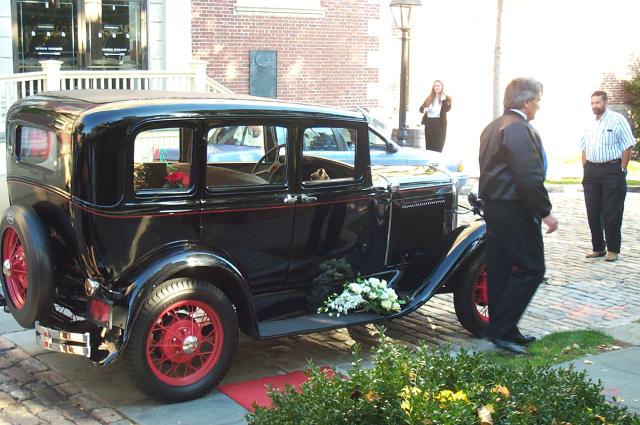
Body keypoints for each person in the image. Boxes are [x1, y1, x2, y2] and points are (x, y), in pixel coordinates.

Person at [478, 77, 559, 355]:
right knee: (531, 268)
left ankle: (503, 329)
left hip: (495, 206)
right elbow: (528, 176)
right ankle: (501, 330)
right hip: (514, 207)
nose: (538, 106)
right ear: (526, 102)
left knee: (500, 267)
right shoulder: (517, 128)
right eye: (537, 100)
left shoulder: (493, 126)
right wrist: (545, 212)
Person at [580, 91, 636, 262]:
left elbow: (628, 146)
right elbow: (584, 147)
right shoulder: (588, 122)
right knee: (592, 211)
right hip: (591, 171)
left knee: (612, 212)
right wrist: (585, 167)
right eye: (592, 103)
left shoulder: (617, 120)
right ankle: (598, 247)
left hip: (612, 169)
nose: (594, 106)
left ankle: (613, 249)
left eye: (597, 102)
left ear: (605, 102)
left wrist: (622, 169)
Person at [419, 80, 451, 152]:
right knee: (429, 146)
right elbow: (420, 109)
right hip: (429, 124)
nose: (437, 87)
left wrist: (443, 100)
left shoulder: (446, 98)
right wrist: (425, 109)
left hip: (440, 125)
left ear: (442, 87)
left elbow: (447, 109)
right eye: (435, 86)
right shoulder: (429, 97)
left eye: (438, 85)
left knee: (438, 146)